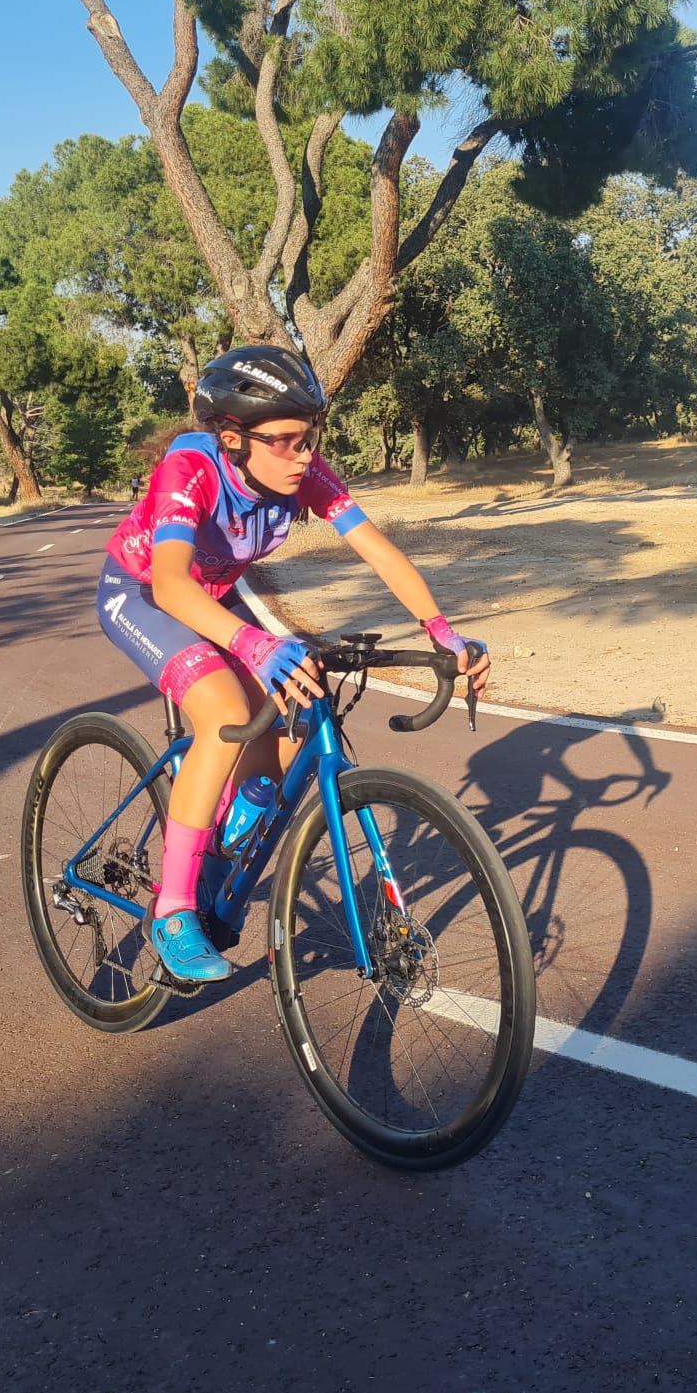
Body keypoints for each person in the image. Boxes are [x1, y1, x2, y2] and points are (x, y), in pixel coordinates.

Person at [96, 344, 490, 984]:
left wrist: (444, 634)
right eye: (284, 441)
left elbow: (378, 551)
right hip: (142, 594)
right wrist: (253, 645)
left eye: (309, 438)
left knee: (300, 703)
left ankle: (224, 837)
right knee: (224, 709)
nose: (303, 455)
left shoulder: (303, 471)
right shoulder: (190, 466)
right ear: (232, 437)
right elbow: (171, 585)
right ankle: (171, 910)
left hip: (217, 599)